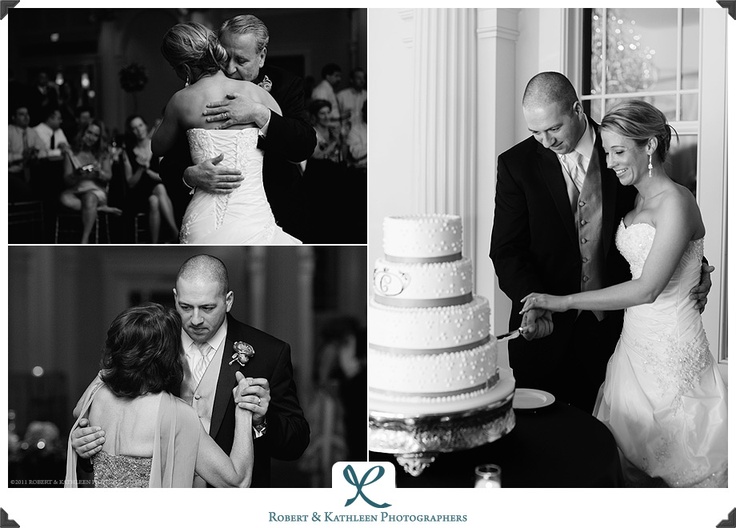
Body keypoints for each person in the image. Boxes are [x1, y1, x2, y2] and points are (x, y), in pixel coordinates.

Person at [520, 100, 727, 488]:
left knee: (680, 460)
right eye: (607, 152)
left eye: (618, 151)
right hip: (632, 346)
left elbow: (648, 287)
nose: (611, 163)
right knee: (628, 464)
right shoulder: (636, 198)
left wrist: (563, 301)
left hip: (672, 348)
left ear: (649, 145)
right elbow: (666, 254)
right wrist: (696, 265)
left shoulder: (677, 201)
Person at [489, 72, 712, 413]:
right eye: (535, 132)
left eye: (554, 129)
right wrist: (535, 302)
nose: (546, 141)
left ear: (577, 109)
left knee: (604, 444)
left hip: (616, 332)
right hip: (545, 336)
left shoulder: (624, 151)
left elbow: (667, 218)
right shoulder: (516, 165)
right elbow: (506, 250)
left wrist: (695, 268)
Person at [71, 254, 310, 487]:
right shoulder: (153, 344)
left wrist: (260, 420)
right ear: (175, 298)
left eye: (207, 308)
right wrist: (85, 449)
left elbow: (296, 444)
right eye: (186, 307)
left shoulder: (269, 352)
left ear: (228, 300)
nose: (195, 319)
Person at [158, 14, 316, 242]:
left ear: (261, 56)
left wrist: (259, 113)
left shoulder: (286, 85)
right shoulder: (192, 94)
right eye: (224, 56)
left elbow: (304, 145)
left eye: (241, 61)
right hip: (209, 218)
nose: (230, 68)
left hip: (276, 212)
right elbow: (168, 159)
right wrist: (189, 175)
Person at [65, 303, 255, 487]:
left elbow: (78, 412)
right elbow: (237, 482)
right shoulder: (176, 414)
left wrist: (116, 367)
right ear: (168, 355)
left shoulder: (98, 397)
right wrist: (244, 411)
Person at [59, 120, 122, 244]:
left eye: (95, 135)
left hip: (96, 191)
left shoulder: (102, 153)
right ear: (82, 133)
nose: (91, 137)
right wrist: (76, 174)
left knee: (89, 198)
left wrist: (99, 173)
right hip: (77, 190)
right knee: (63, 198)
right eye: (89, 133)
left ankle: (84, 240)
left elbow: (108, 176)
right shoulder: (70, 152)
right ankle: (99, 209)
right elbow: (67, 180)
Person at [123, 114, 179, 243]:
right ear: (131, 131)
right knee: (159, 189)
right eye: (134, 128)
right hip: (138, 194)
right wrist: (141, 169)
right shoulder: (129, 151)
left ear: (145, 126)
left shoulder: (156, 146)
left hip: (157, 190)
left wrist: (152, 174)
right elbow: (130, 183)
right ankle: (175, 232)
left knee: (154, 200)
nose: (139, 130)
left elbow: (165, 176)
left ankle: (154, 245)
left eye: (140, 125)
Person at [8, 104, 47, 202]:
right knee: (25, 190)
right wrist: (21, 156)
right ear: (14, 117)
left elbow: (44, 150)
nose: (26, 117)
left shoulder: (32, 132)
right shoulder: (7, 131)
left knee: (47, 185)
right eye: (21, 114)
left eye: (27, 114)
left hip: (30, 170)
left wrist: (34, 154)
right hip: (11, 172)